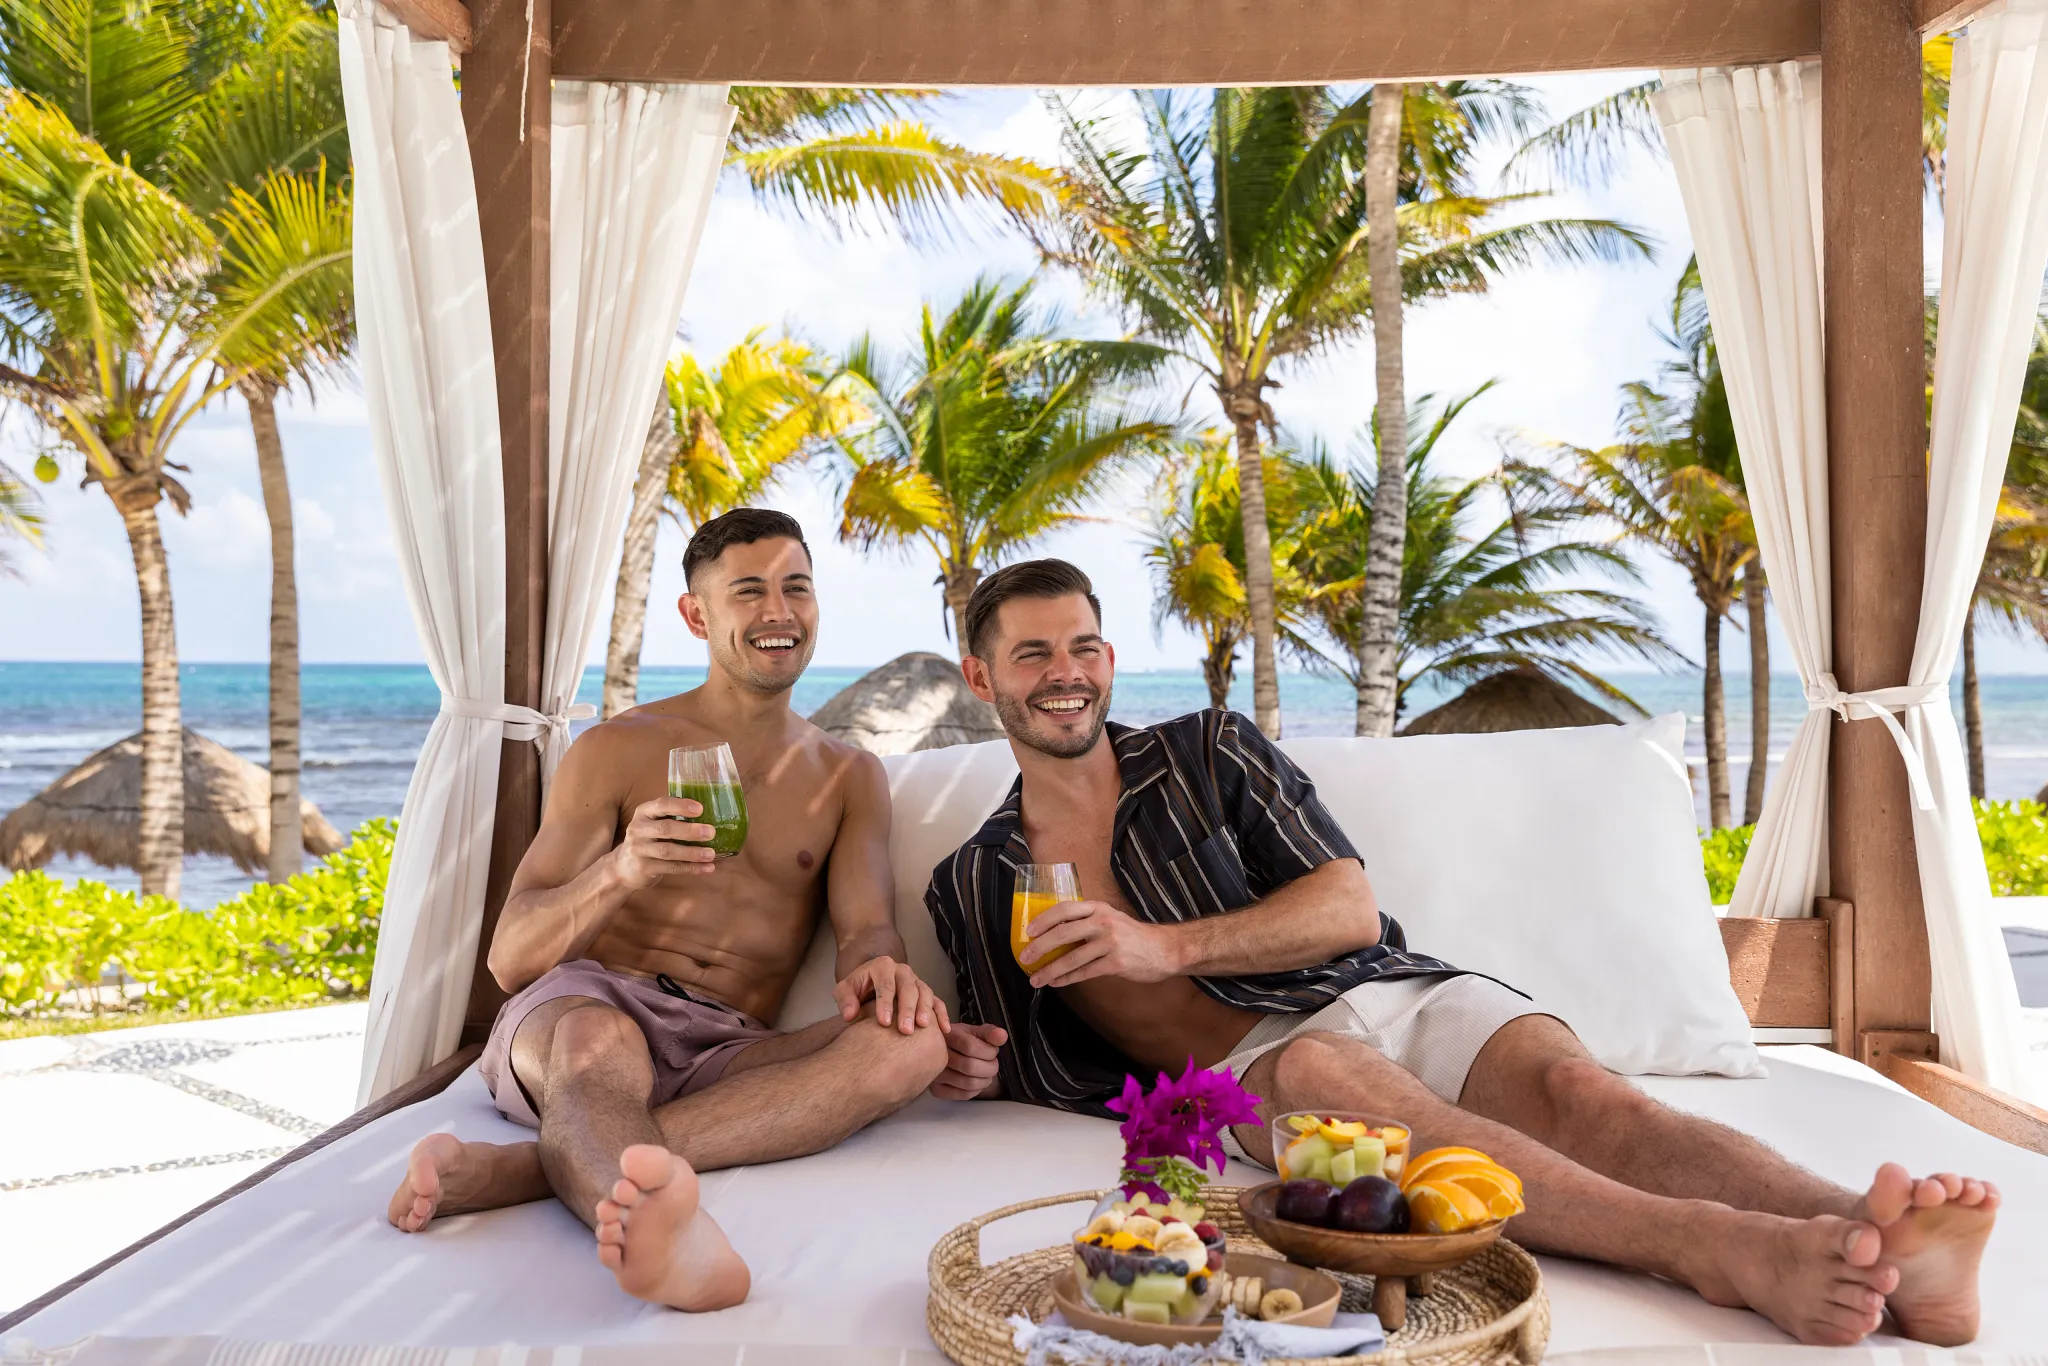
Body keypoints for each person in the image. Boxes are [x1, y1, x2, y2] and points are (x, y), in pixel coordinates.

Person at [925, 557, 2000, 1349]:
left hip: (1380, 981)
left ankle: (1871, 1228)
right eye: (1031, 653)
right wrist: (963, 1061)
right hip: (1258, 1062)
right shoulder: (975, 878)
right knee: (1340, 1083)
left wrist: (1159, 945)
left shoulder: (1207, 749)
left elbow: (1346, 905)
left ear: (1107, 659)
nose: (1063, 673)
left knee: (1588, 1095)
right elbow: (1002, 1054)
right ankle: (1713, 1246)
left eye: (1081, 647)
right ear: (983, 675)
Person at [384, 508, 949, 1312]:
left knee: (915, 1045)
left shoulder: (849, 775)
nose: (778, 612)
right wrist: (622, 870)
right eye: (748, 592)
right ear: (697, 614)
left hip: (728, 1046)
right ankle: (668, 1231)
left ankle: (533, 1167)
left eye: (797, 588)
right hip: (590, 1005)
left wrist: (884, 979)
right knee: (595, 1041)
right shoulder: (617, 748)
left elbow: (865, 933)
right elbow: (512, 957)